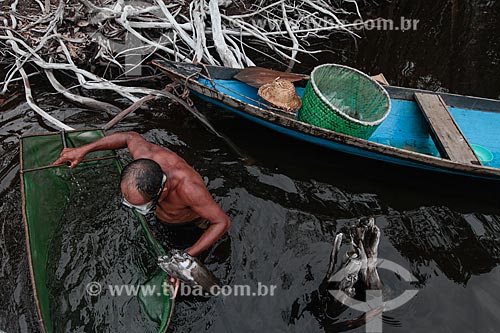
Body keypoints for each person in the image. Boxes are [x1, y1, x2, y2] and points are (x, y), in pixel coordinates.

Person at [53, 131, 231, 257]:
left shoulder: (189, 189)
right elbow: (129, 136)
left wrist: (186, 256)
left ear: (164, 191)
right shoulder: (144, 157)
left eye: (142, 205)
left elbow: (222, 221)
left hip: (187, 226)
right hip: (161, 217)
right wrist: (83, 149)